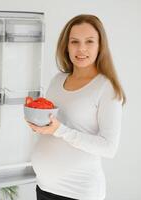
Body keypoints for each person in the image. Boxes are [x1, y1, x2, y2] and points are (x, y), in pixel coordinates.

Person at [26, 14, 126, 200]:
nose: (81, 49)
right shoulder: (58, 80)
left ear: (100, 46)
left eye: (89, 41)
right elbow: (52, 127)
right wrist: (38, 124)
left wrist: (60, 130)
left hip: (77, 193)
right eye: (74, 42)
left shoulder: (106, 88)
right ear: (66, 45)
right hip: (44, 188)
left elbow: (109, 148)